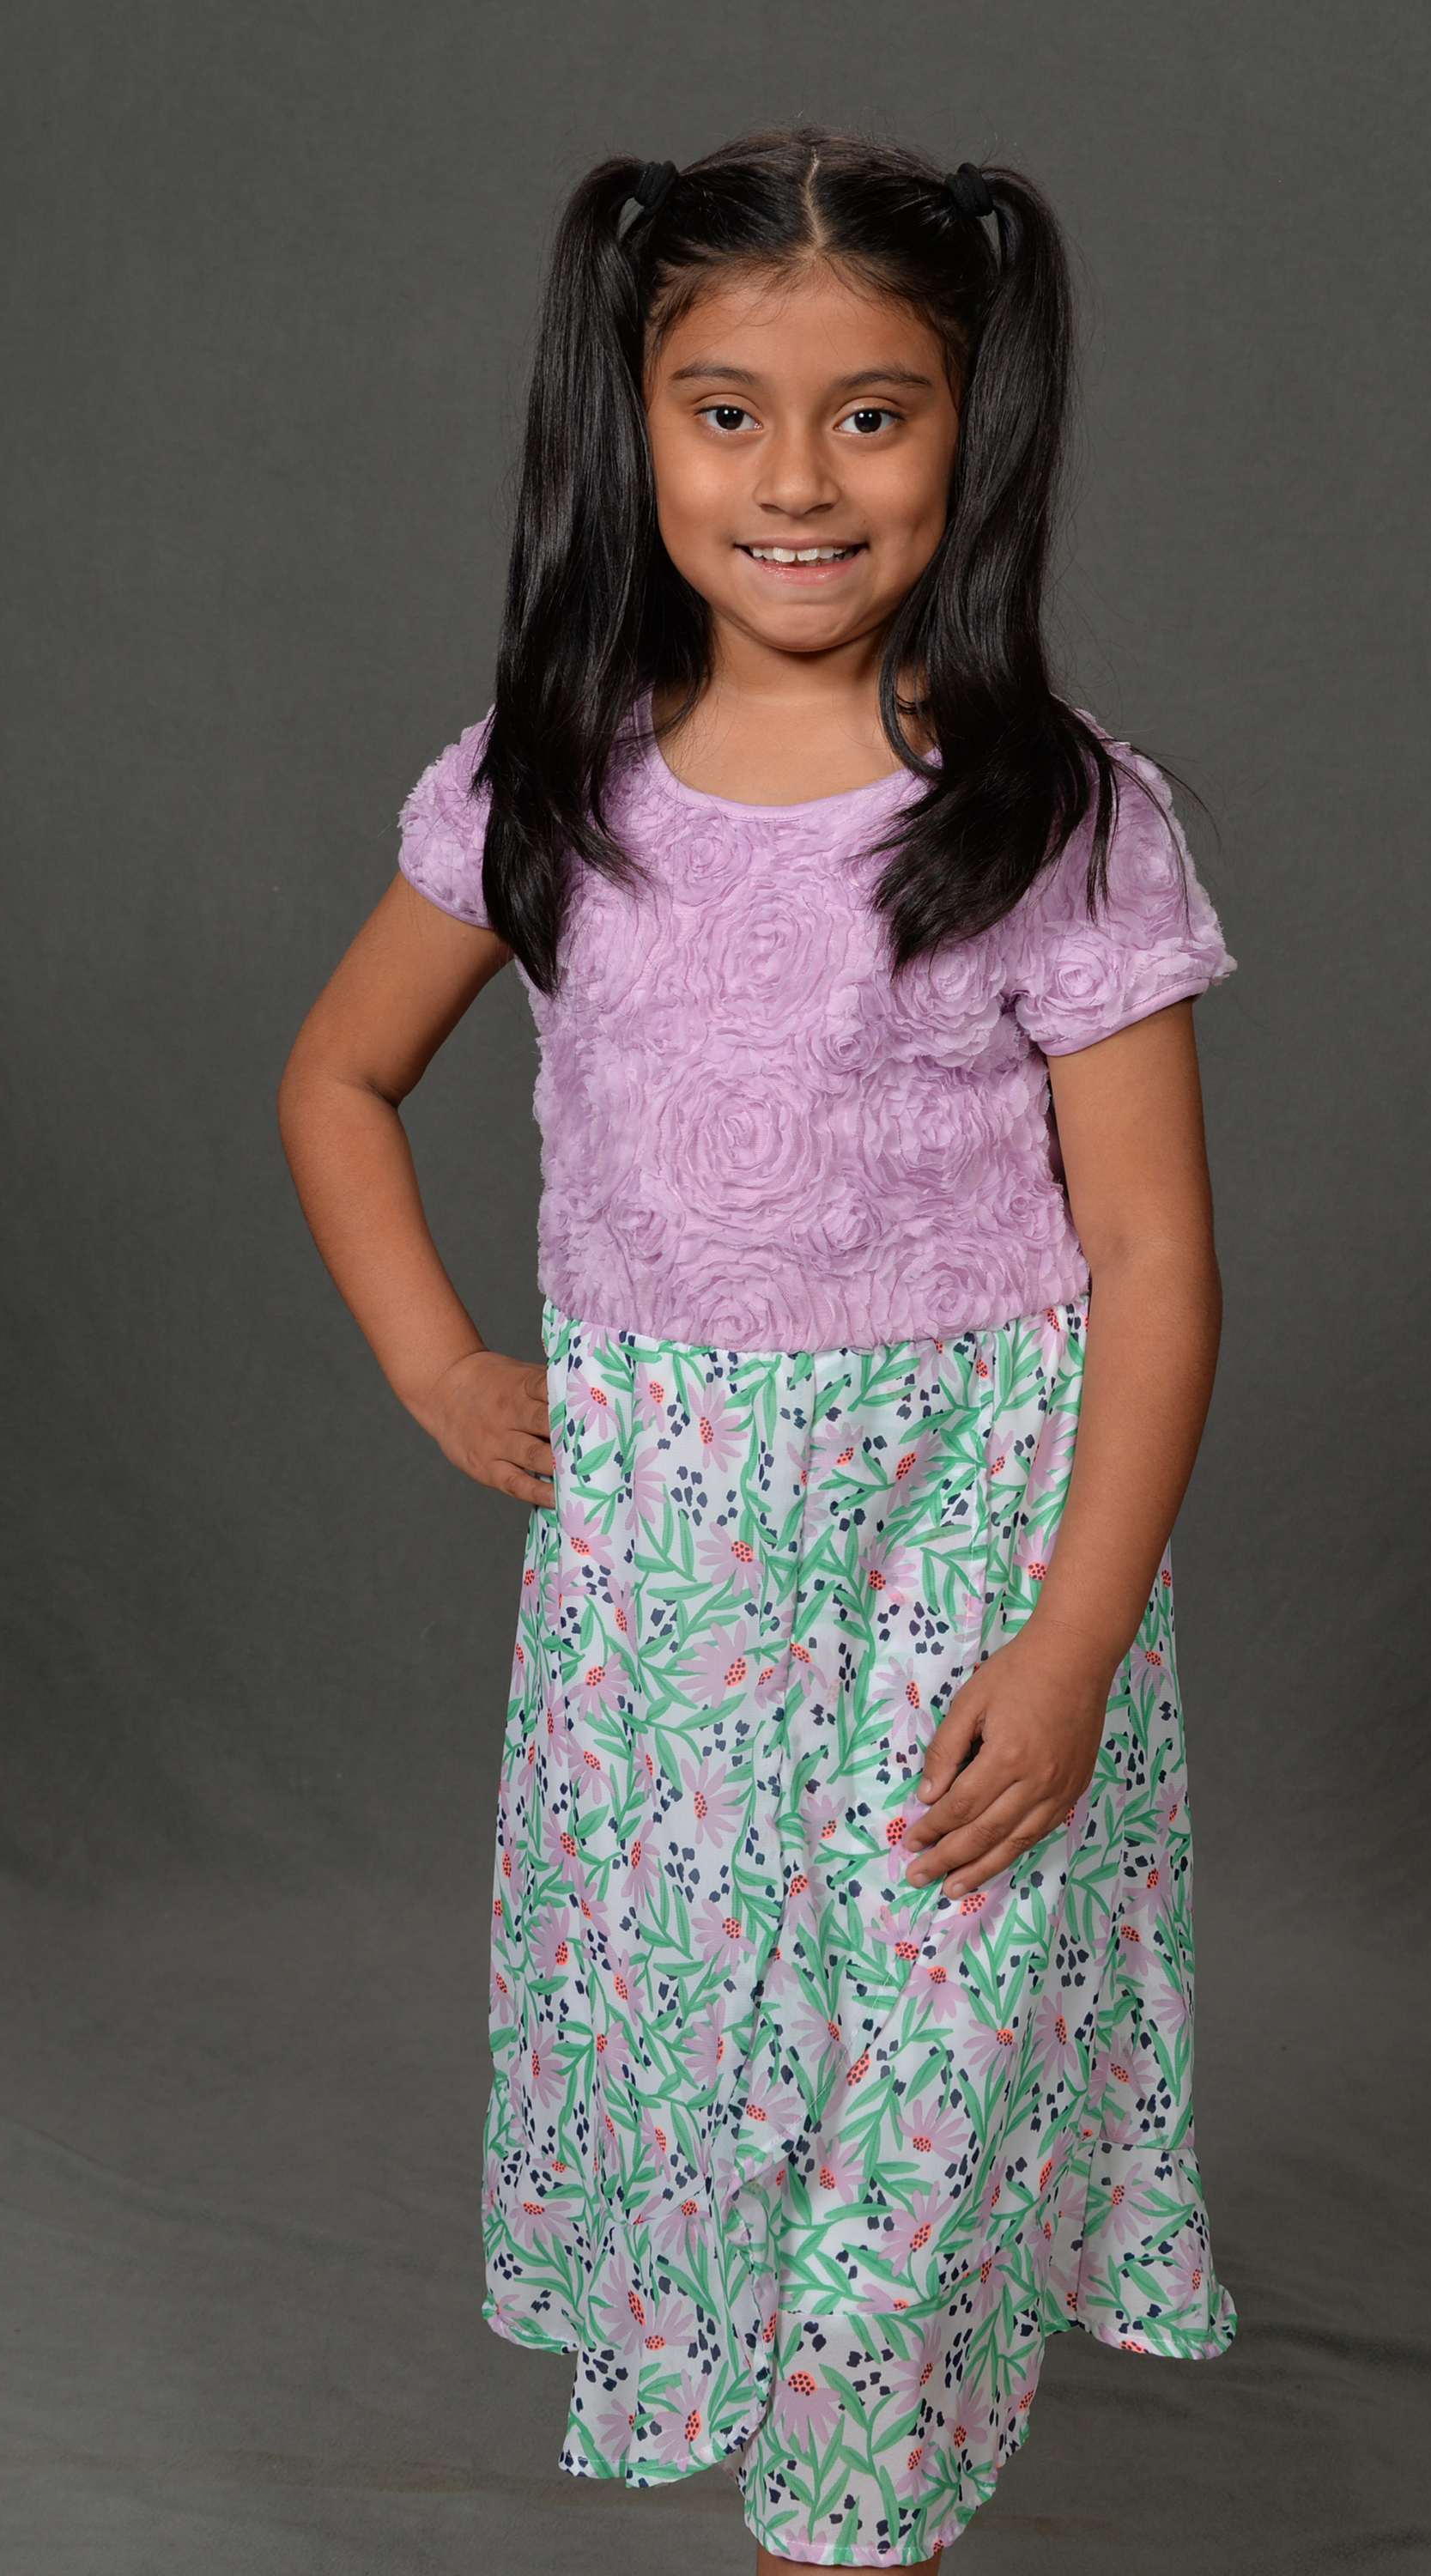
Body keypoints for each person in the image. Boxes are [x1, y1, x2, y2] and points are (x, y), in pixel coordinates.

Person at [278, 127, 1237, 2573]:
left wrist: (1075, 1641)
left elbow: (1151, 1255)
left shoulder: (1047, 810)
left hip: (973, 1553)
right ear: (631, 425)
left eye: (871, 414)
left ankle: (853, 2533)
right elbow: (338, 1077)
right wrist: (440, 1366)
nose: (797, 479)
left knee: (924, 2105)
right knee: (723, 2088)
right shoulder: (544, 786)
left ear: (971, 429)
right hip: (677, 1599)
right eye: (727, 413)